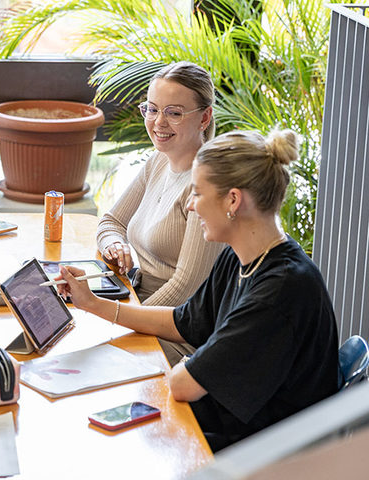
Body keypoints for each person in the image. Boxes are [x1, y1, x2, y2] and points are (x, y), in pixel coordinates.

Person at [58, 129, 339, 452]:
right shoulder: (242, 256)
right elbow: (182, 321)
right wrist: (93, 303)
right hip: (224, 427)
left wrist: (183, 364)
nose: (190, 206)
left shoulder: (280, 292)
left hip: (259, 454)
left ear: (233, 200)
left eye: (197, 193)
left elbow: (182, 385)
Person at [97, 61, 224, 308]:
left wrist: (125, 320)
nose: (158, 123)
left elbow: (186, 288)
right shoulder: (158, 162)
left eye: (174, 113)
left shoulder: (207, 186)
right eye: (153, 109)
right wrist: (114, 244)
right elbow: (111, 222)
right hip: (137, 302)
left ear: (204, 117)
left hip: (174, 326)